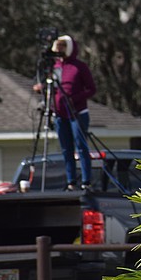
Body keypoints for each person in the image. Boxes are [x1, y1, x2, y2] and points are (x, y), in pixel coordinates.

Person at [34, 35, 96, 191]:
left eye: (63, 47)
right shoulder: (55, 68)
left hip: (77, 113)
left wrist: (74, 99)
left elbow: (91, 89)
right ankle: (71, 181)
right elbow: (52, 88)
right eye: (58, 47)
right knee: (66, 148)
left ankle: (86, 181)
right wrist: (42, 88)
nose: (59, 50)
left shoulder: (79, 67)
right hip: (60, 114)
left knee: (81, 146)